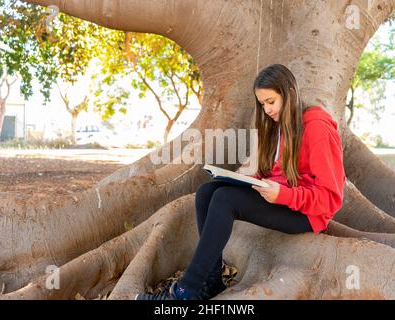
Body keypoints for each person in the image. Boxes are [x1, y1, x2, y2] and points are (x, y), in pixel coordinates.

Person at [135, 64, 346, 300]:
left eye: (271, 102)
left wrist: (283, 196)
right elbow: (279, 172)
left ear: (289, 93)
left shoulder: (317, 127)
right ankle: (212, 281)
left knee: (226, 199)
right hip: (283, 197)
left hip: (307, 214)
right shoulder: (280, 125)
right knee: (207, 191)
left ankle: (186, 291)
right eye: (262, 104)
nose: (267, 110)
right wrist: (245, 179)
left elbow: (331, 199)